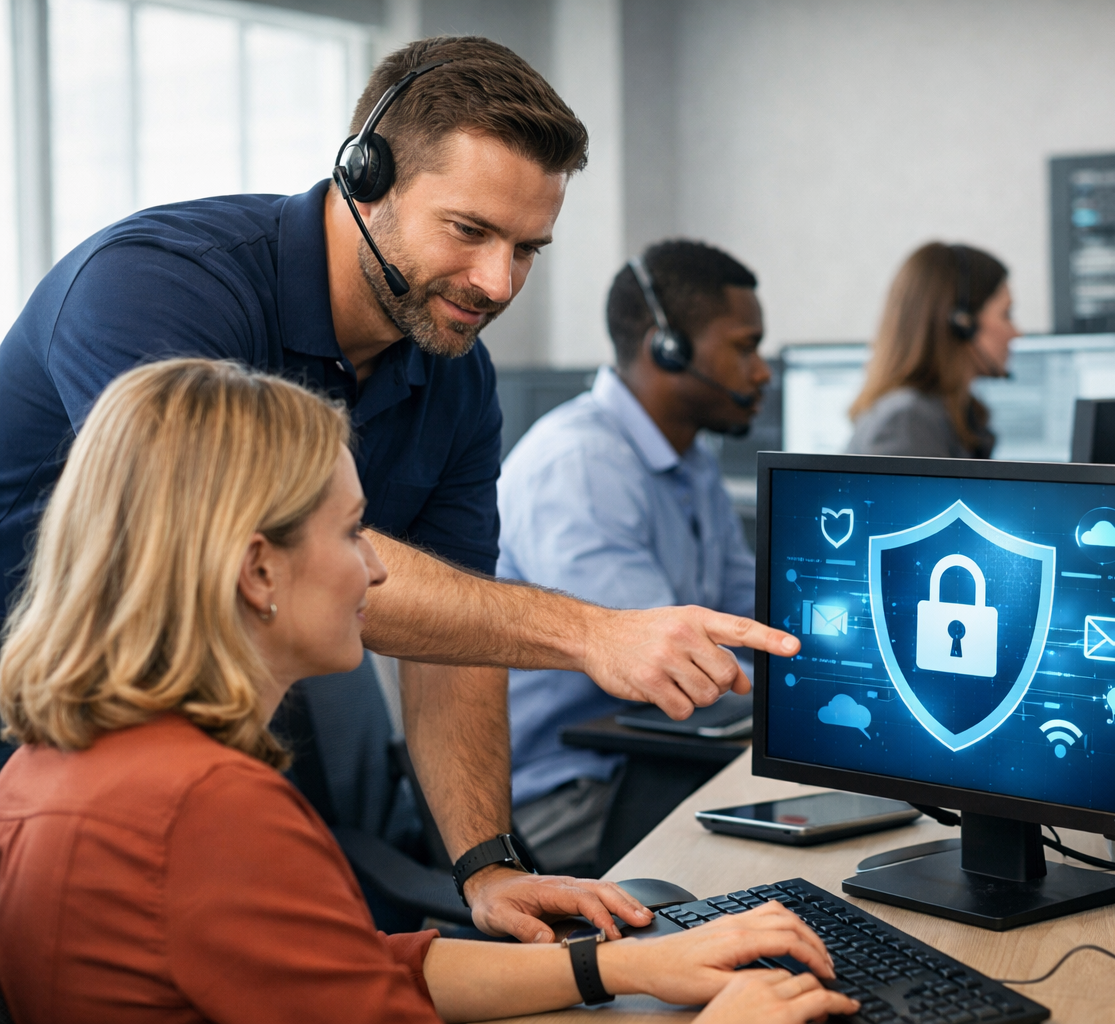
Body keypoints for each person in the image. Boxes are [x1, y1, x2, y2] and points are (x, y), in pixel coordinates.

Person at [0, 37, 798, 942]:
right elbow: (234, 555)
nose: (499, 283)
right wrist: (590, 633)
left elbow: (458, 632)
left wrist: (487, 867)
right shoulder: (160, 287)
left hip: (204, 724)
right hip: (43, 712)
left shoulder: (453, 372)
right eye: (469, 231)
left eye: (527, 248)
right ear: (363, 175)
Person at [0, 358, 856, 1024]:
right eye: (350, 533)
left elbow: (358, 968)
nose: (377, 570)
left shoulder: (53, 766)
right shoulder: (208, 810)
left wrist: (618, 965)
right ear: (258, 569)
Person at [497, 240, 766, 873]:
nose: (762, 372)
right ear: (665, 347)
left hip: (657, 759)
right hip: (567, 792)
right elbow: (670, 668)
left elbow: (747, 613)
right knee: (775, 866)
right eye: (744, 347)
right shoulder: (583, 466)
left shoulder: (690, 461)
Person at [846, 242, 1020, 458]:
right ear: (962, 324)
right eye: (1006, 314)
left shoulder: (953, 415)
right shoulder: (907, 423)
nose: (1016, 333)